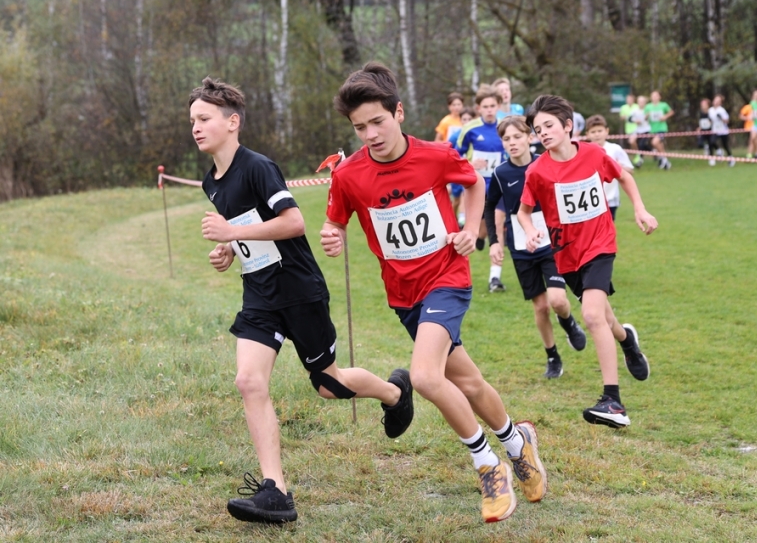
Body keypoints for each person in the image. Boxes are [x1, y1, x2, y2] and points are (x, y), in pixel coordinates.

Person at [321, 62, 547, 524]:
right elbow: (334, 220)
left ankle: (489, 465)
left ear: (398, 112)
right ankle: (517, 442)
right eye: (359, 127)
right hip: (403, 295)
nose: (370, 134)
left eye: (378, 122)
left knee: (424, 377)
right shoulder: (349, 176)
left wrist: (469, 228)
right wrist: (332, 236)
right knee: (465, 381)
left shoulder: (436, 154)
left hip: (447, 277)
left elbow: (473, 184)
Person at [189, 76, 414, 525]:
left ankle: (394, 391)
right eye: (192, 120)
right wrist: (228, 250)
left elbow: (292, 223)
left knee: (330, 385)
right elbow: (249, 226)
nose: (195, 128)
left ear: (232, 123)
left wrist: (232, 233)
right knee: (249, 382)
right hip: (259, 295)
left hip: (299, 291)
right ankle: (276, 492)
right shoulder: (210, 183)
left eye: (204, 119)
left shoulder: (258, 167)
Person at [516, 95, 656, 429]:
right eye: (538, 130)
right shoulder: (537, 171)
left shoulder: (594, 154)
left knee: (592, 315)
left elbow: (624, 177)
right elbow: (523, 211)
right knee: (604, 319)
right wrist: (530, 228)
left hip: (600, 245)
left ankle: (613, 401)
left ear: (568, 126)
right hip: (567, 255)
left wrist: (639, 208)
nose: (544, 133)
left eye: (549, 126)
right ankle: (628, 341)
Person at [485, 116, 587, 379]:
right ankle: (552, 356)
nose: (512, 143)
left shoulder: (547, 163)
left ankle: (569, 322)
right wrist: (495, 242)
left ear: (529, 137)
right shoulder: (500, 173)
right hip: (522, 248)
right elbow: (489, 206)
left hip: (552, 243)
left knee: (557, 300)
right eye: (506, 139)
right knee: (540, 306)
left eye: (517, 137)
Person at [457, 84, 508, 291]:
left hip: (500, 184)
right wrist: (469, 164)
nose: (489, 110)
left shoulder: (505, 126)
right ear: (479, 108)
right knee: (483, 230)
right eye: (485, 106)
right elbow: (454, 155)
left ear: (498, 106)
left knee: (497, 224)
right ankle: (478, 237)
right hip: (477, 185)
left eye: (492, 106)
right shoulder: (470, 129)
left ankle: (494, 278)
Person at [584, 115, 634, 221]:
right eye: (593, 132)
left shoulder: (615, 149)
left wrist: (619, 167)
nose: (597, 134)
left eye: (600, 131)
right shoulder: (584, 151)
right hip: (591, 201)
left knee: (609, 230)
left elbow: (630, 170)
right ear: (587, 134)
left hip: (611, 199)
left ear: (607, 131)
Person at [448, 106, 477, 225]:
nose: (467, 122)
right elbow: (448, 151)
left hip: (472, 170)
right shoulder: (456, 136)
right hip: (457, 170)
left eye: (469, 119)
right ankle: (453, 218)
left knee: (466, 194)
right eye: (464, 119)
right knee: (457, 199)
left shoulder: (476, 134)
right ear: (460, 120)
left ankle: (464, 219)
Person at [644, 90, 674, 169]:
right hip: (653, 129)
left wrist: (665, 117)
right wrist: (647, 115)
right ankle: (665, 160)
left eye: (656, 96)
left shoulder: (663, 105)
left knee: (655, 142)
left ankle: (663, 159)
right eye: (652, 96)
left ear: (659, 97)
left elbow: (671, 112)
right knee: (659, 144)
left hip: (662, 128)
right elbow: (645, 118)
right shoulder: (648, 106)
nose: (654, 97)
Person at [709, 94, 734, 167]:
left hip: (723, 130)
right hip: (715, 130)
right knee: (711, 142)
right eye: (715, 100)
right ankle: (715, 154)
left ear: (720, 103)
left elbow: (727, 121)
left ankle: (731, 158)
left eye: (718, 101)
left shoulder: (722, 110)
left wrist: (721, 118)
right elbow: (711, 120)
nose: (715, 102)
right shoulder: (710, 110)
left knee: (725, 145)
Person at [618, 94, 641, 167]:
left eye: (630, 99)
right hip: (628, 129)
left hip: (637, 128)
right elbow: (621, 117)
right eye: (628, 99)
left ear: (633, 100)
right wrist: (624, 117)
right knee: (632, 143)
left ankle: (638, 156)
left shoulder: (637, 107)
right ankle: (637, 156)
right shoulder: (623, 107)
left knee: (632, 141)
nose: (629, 101)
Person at [697, 99, 716, 165]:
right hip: (703, 130)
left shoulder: (711, 112)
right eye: (702, 105)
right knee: (700, 143)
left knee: (711, 143)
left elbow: (713, 120)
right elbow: (701, 121)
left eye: (704, 104)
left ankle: (711, 158)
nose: (703, 106)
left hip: (710, 130)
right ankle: (706, 147)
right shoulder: (700, 113)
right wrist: (699, 128)